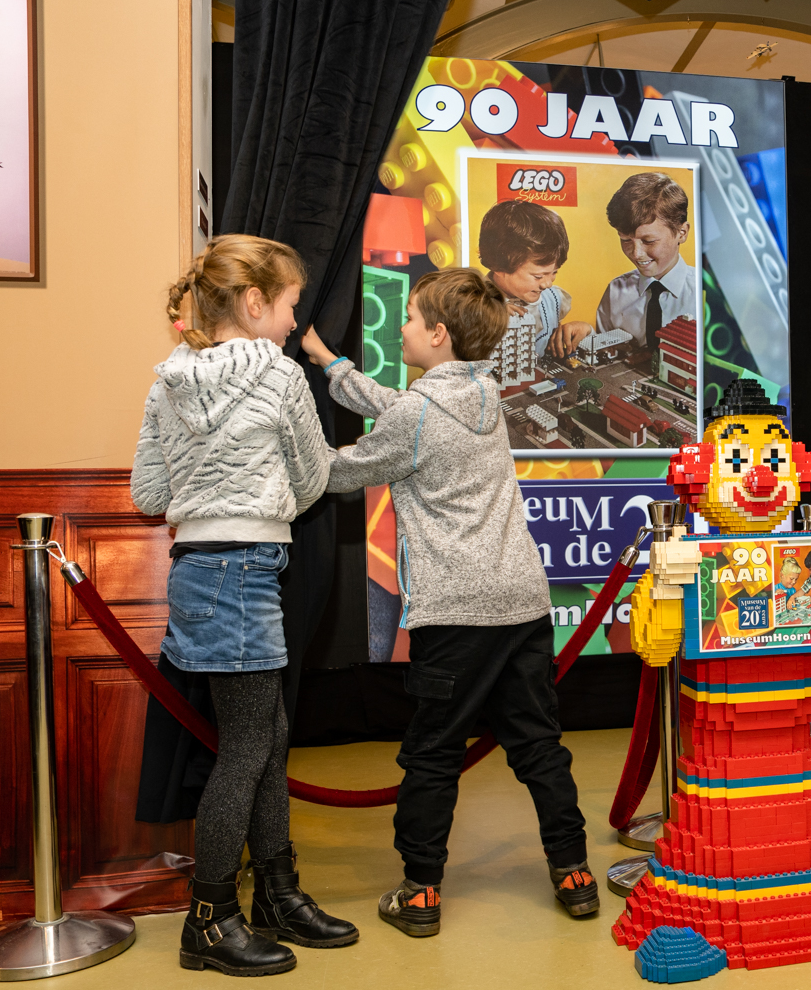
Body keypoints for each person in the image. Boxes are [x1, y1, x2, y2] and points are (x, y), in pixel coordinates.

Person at [298, 268, 598, 936]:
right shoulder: (486, 393)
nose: (400, 327)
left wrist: (286, 432)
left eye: (408, 319)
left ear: (436, 335)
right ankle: (574, 872)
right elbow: (401, 408)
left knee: (432, 752)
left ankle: (421, 892)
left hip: (456, 613)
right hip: (520, 603)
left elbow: (339, 471)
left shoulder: (416, 414)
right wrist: (330, 363)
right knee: (538, 744)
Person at [131, 234, 357, 977]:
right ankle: (210, 917)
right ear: (257, 303)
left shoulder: (167, 380)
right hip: (248, 566)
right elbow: (313, 477)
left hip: (199, 569)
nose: (295, 323)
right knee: (247, 751)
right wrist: (259, 506)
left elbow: (149, 495)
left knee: (265, 734)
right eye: (291, 306)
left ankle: (277, 894)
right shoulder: (282, 376)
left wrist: (209, 493)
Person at [553, 172, 697, 359]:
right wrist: (590, 334)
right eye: (625, 240)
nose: (636, 254)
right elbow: (609, 353)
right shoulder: (616, 292)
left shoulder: (702, 296)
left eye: (649, 240)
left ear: (682, 233)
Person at [477, 199, 576, 361]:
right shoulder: (468, 304)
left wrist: (584, 330)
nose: (547, 283)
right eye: (538, 276)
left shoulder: (552, 299)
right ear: (499, 267)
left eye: (554, 272)